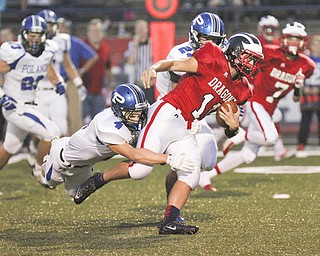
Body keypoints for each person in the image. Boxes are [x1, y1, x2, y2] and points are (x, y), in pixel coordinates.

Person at [74, 32, 264, 235]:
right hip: (168, 112)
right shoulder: (212, 57)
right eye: (249, 57)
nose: (252, 64)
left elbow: (224, 120)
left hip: (189, 125)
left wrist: (232, 127)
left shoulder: (242, 89)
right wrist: (155, 67)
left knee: (192, 171)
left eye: (255, 60)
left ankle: (170, 220)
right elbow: (176, 64)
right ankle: (98, 180)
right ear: (235, 52)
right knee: (140, 171)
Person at [199, 22, 316, 189]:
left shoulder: (307, 65)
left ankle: (207, 175)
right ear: (283, 39)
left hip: (269, 109)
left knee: (248, 156)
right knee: (271, 137)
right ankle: (241, 135)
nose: (293, 42)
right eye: (290, 38)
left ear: (304, 41)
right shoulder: (270, 53)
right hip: (257, 101)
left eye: (297, 39)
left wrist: (298, 87)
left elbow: (297, 98)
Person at [44, 83, 195, 198]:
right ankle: (48, 156)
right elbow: (134, 155)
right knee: (50, 181)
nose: (139, 117)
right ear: (119, 112)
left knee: (74, 196)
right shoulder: (107, 127)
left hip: (86, 165)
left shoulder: (133, 116)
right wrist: (168, 158)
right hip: (64, 159)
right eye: (133, 114)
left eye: (141, 111)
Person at [156, 12, 227, 220]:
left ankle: (173, 196)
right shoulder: (180, 52)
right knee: (140, 168)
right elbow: (186, 92)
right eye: (207, 39)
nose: (211, 45)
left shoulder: (218, 55)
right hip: (170, 113)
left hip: (195, 116)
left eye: (216, 40)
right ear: (195, 36)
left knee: (208, 161)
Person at [219, 14, 291, 164]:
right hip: (250, 89)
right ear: (261, 29)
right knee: (250, 120)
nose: (271, 32)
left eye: (273, 29)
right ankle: (228, 134)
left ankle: (278, 150)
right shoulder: (258, 45)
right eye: (268, 29)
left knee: (263, 122)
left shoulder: (276, 46)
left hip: (262, 90)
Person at [0, 15, 62, 185]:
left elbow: (47, 67)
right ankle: (39, 171)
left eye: (38, 36)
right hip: (15, 106)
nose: (34, 40)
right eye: (31, 36)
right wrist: (2, 96)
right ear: (23, 35)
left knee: (9, 148)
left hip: (29, 106)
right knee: (51, 131)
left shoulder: (47, 51)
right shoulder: (14, 53)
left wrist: (57, 82)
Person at [36, 9, 87, 136]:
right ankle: (35, 149)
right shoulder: (31, 41)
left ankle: (59, 153)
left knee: (61, 127)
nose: (49, 28)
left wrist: (78, 84)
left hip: (56, 89)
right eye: (46, 24)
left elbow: (68, 65)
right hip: (37, 89)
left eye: (51, 24)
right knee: (38, 130)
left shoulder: (62, 40)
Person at [57, 17, 98, 134]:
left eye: (62, 26)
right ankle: (60, 140)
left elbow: (93, 56)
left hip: (70, 80)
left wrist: (82, 70)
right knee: (59, 113)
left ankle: (75, 139)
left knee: (74, 112)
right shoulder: (52, 42)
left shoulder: (72, 41)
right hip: (54, 82)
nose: (61, 29)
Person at [82, 18, 115, 124]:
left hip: (98, 90)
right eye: (93, 31)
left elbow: (108, 66)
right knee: (82, 121)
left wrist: (111, 83)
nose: (96, 34)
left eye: (98, 31)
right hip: (83, 90)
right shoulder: (82, 45)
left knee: (98, 121)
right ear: (88, 32)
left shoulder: (104, 47)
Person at [296, 35, 320, 155]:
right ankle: (301, 143)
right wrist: (304, 88)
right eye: (315, 44)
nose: (317, 47)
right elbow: (300, 74)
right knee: (305, 120)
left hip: (318, 93)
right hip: (307, 94)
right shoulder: (306, 58)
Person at [124, 19, 155, 104]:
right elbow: (130, 61)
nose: (141, 30)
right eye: (139, 28)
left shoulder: (153, 43)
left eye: (143, 27)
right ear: (135, 30)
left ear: (147, 29)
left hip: (151, 83)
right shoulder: (132, 44)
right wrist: (135, 44)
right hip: (138, 83)